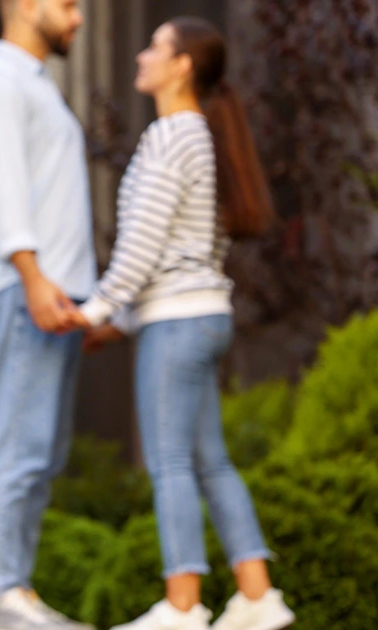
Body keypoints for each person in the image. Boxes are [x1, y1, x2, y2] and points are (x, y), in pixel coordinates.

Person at [74, 16, 296, 630]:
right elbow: (183, 245)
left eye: (156, 47)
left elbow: (142, 245)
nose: (142, 55)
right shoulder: (202, 135)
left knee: (170, 463)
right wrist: (119, 320)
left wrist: (95, 308)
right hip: (201, 316)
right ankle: (257, 596)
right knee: (210, 461)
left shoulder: (172, 136)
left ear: (182, 66)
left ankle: (183, 605)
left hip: (176, 322)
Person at [0, 1, 95, 628]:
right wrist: (35, 279)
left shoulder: (34, 87)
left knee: (39, 449)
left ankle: (12, 591)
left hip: (51, 295)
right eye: (67, 4)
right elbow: (5, 188)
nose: (79, 17)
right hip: (22, 289)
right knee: (13, 444)